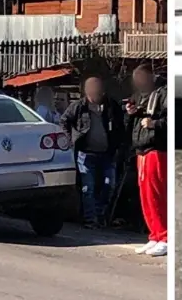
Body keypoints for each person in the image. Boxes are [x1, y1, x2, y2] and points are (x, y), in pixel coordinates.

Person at [60, 75, 127, 228]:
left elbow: (120, 125)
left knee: (108, 185)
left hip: (107, 154)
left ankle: (101, 215)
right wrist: (70, 139)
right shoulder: (78, 106)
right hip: (85, 154)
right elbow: (64, 121)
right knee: (87, 188)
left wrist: (119, 145)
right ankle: (90, 220)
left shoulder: (111, 106)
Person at [126, 64, 168, 257]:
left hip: (156, 148)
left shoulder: (164, 92)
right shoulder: (142, 95)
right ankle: (155, 235)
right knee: (146, 195)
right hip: (142, 148)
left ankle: (165, 236)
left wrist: (154, 124)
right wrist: (133, 112)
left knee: (158, 193)